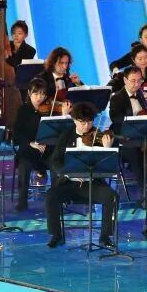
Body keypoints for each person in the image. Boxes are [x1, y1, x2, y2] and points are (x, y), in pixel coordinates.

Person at [45, 102, 119, 248]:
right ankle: (56, 235)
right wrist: (67, 172)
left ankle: (105, 237)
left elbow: (109, 165)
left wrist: (107, 149)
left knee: (112, 197)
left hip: (92, 184)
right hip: (69, 183)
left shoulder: (99, 135)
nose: (86, 126)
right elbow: (55, 161)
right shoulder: (66, 135)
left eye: (89, 122)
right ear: (74, 120)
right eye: (82, 123)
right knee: (50, 195)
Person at [12, 78, 55, 212]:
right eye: (36, 94)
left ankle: (57, 199)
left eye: (42, 94)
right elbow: (17, 134)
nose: (39, 98)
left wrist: (64, 115)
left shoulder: (51, 110)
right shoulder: (23, 110)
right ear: (29, 93)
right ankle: (22, 202)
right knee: (24, 166)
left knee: (57, 163)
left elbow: (59, 132)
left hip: (47, 150)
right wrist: (31, 143)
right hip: (29, 150)